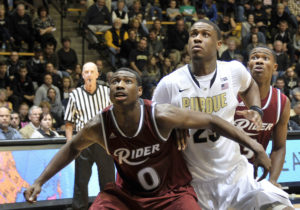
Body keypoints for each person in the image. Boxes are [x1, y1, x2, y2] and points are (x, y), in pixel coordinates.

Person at [24, 68, 271, 209]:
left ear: (139, 91)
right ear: (109, 91)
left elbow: (212, 120)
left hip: (172, 193)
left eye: (127, 81)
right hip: (128, 196)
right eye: (114, 82)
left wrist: (254, 144)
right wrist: (39, 181)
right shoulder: (98, 125)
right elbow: (71, 149)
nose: (119, 85)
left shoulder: (161, 114)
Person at [152, 19, 293, 209]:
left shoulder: (233, 70)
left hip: (236, 175)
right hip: (193, 182)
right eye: (193, 34)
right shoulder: (169, 84)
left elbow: (249, 85)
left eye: (205, 34)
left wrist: (256, 108)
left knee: (281, 206)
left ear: (219, 44)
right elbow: (152, 127)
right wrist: (170, 126)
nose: (197, 39)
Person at [235, 47, 291, 188]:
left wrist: (272, 180)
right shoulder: (232, 93)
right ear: (248, 65)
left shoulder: (281, 102)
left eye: (265, 58)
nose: (259, 61)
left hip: (251, 177)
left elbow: (279, 147)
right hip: (223, 172)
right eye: (254, 58)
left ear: (275, 67)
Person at [64, 62, 115, 210]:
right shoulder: (75, 94)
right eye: (86, 72)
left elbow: (115, 116)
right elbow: (69, 123)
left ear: (98, 74)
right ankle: (80, 208)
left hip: (103, 141)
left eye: (92, 72)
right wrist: (70, 145)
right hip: (83, 142)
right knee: (81, 180)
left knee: (108, 180)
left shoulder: (106, 92)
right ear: (82, 75)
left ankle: (108, 207)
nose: (89, 75)